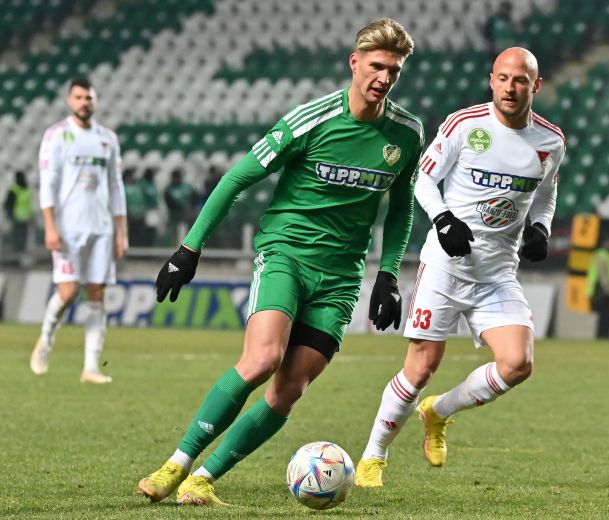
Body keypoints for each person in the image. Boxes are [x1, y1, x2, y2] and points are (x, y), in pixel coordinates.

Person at [137, 18, 423, 506]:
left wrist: (389, 274)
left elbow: (401, 210)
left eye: (393, 71)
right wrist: (190, 248)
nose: (383, 78)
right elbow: (235, 179)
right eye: (376, 66)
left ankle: (203, 478)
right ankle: (175, 464)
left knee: (289, 390)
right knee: (262, 360)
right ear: (354, 63)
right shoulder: (310, 119)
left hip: (341, 277)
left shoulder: (407, 133)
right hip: (286, 254)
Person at [354, 47, 565, 487]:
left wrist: (541, 228)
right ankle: (374, 455)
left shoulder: (550, 141)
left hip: (497, 273)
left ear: (535, 85)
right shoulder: (465, 125)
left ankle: (439, 411)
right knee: (420, 368)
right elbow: (423, 179)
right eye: (503, 78)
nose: (511, 87)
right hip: (446, 266)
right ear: (492, 81)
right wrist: (444, 219)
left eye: (521, 80)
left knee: (518, 363)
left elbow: (545, 193)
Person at [29, 76, 127, 384]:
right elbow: (49, 183)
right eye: (79, 97)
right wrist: (50, 227)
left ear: (95, 101)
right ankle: (45, 338)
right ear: (69, 101)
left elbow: (115, 185)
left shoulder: (107, 138)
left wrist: (121, 231)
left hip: (101, 228)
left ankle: (90, 367)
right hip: (67, 228)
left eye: (89, 97)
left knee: (97, 293)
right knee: (69, 291)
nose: (84, 102)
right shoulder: (57, 136)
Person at [586, 236, 609, 339]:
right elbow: (602, 275)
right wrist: (607, 288)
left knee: (604, 315)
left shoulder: (603, 255)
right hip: (602, 290)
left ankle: (603, 335)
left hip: (601, 289)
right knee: (605, 315)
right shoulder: (603, 255)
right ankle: (603, 335)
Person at [163, 168, 198, 244]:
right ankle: (173, 245)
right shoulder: (169, 189)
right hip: (175, 213)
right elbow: (168, 202)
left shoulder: (187, 187)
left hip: (187, 213)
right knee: (174, 232)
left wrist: (191, 208)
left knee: (189, 230)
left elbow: (195, 197)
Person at [4, 170, 34, 255]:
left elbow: (29, 204)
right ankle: (17, 255)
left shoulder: (23, 189)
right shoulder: (15, 190)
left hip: (23, 218)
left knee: (22, 238)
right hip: (18, 218)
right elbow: (8, 205)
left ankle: (20, 255)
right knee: (18, 238)